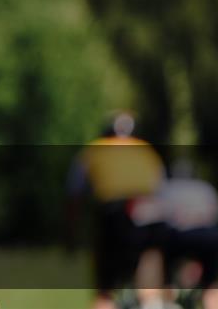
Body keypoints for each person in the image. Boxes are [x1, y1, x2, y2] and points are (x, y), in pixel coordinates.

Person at [66, 112, 168, 309]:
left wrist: (71, 235)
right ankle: (152, 301)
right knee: (149, 276)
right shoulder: (147, 150)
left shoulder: (93, 151)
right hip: (153, 212)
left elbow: (74, 196)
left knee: (106, 287)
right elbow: (162, 190)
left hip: (116, 213)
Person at [158, 160, 218, 309]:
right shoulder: (206, 188)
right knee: (212, 283)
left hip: (179, 236)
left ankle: (168, 298)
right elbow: (214, 216)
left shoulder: (166, 188)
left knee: (165, 275)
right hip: (210, 236)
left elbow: (160, 218)